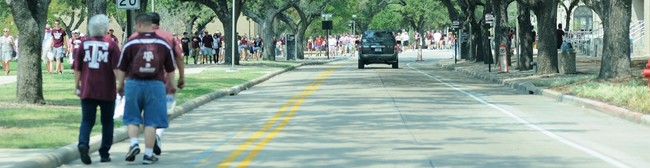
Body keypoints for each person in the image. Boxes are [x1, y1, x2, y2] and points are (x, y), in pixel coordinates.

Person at [118, 13, 177, 165]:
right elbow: (170, 68)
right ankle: (148, 154)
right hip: (156, 84)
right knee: (151, 121)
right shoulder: (162, 43)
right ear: (151, 25)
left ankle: (133, 144)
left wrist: (120, 85)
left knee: (132, 117)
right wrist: (171, 84)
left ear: (139, 25)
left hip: (134, 83)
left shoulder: (131, 43)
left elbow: (122, 67)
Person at [73, 14, 121, 165]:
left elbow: (78, 68)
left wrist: (77, 86)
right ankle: (104, 152)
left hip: (88, 88)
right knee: (107, 122)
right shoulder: (111, 44)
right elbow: (116, 68)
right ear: (105, 28)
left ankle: (83, 144)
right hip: (106, 90)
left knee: (87, 120)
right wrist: (121, 84)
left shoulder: (84, 44)